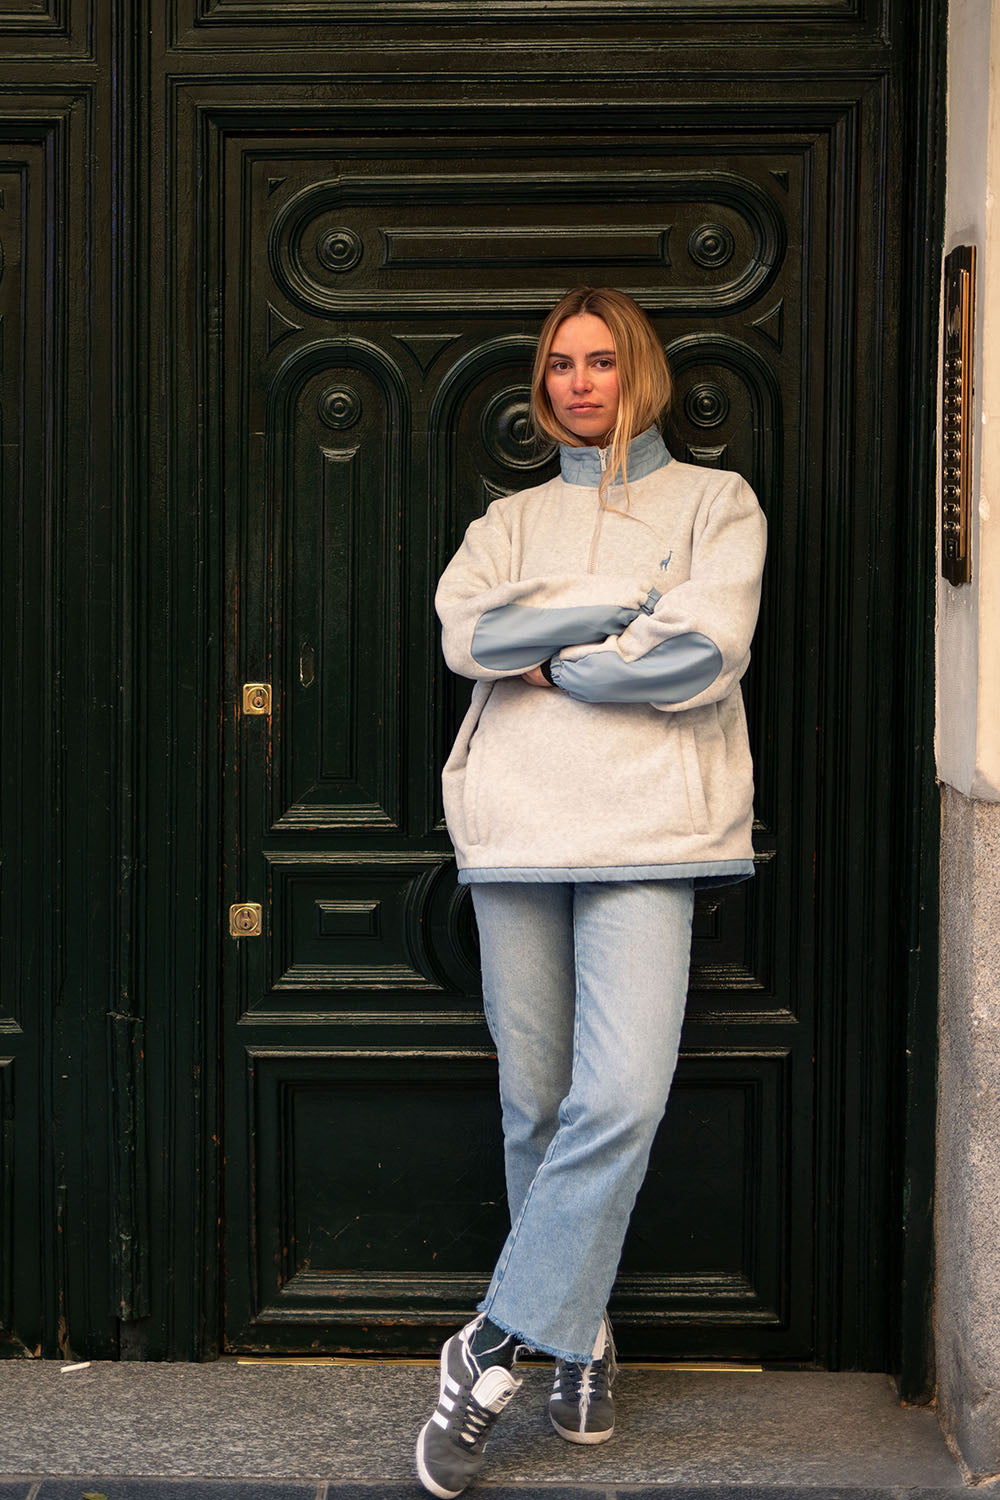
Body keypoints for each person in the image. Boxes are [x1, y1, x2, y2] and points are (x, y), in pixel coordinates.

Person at [416, 286, 767, 1499]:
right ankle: (579, 1338)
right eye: (560, 364)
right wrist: (615, 612)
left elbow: (702, 650)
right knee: (536, 1103)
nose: (578, 383)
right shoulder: (507, 521)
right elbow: (469, 639)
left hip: (651, 829)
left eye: (601, 360)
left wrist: (553, 651)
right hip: (515, 827)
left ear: (641, 373)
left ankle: (494, 1338)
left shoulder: (715, 504)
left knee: (616, 1097)